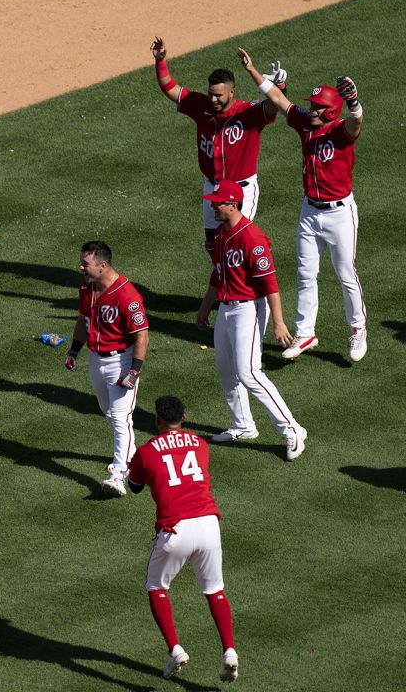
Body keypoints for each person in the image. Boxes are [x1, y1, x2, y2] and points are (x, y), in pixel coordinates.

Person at [238, 48, 368, 363]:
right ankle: (305, 332)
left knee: (344, 272)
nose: (313, 111)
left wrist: (353, 102)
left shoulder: (340, 132)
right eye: (313, 106)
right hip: (310, 211)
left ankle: (357, 328)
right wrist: (253, 71)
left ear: (332, 111)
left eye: (320, 107)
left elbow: (356, 123)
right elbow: (281, 102)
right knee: (305, 272)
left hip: (339, 213)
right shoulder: (305, 124)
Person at [127, 395, 240, 683]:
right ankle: (229, 650)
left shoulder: (146, 451)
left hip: (175, 530)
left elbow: (136, 487)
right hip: (208, 525)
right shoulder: (200, 444)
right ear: (184, 418)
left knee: (156, 586)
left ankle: (175, 649)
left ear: (156, 421)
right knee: (215, 590)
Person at [197, 181, 307, 460]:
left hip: (250, 308)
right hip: (226, 307)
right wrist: (205, 306)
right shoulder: (222, 234)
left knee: (249, 372)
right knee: (225, 368)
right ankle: (243, 424)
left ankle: (292, 430)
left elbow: (270, 284)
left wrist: (279, 323)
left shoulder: (252, 238)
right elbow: (217, 274)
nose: (213, 205)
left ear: (232, 205)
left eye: (217, 202)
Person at [151, 37, 284, 247]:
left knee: (235, 244)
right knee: (213, 244)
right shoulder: (201, 105)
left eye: (219, 96)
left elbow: (276, 104)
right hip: (212, 187)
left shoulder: (249, 113)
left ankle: (242, 280)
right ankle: (221, 279)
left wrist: (276, 84)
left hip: (242, 191)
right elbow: (171, 89)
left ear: (232, 92)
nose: (214, 100)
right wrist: (160, 61)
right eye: (211, 94)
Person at [64, 241, 149, 496]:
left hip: (121, 362)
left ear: (102, 266)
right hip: (95, 359)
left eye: (85, 264)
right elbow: (83, 320)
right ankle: (132, 455)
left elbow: (142, 336)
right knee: (108, 412)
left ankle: (117, 475)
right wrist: (74, 350)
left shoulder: (127, 295)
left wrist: (134, 371)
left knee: (119, 418)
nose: (80, 267)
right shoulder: (86, 287)